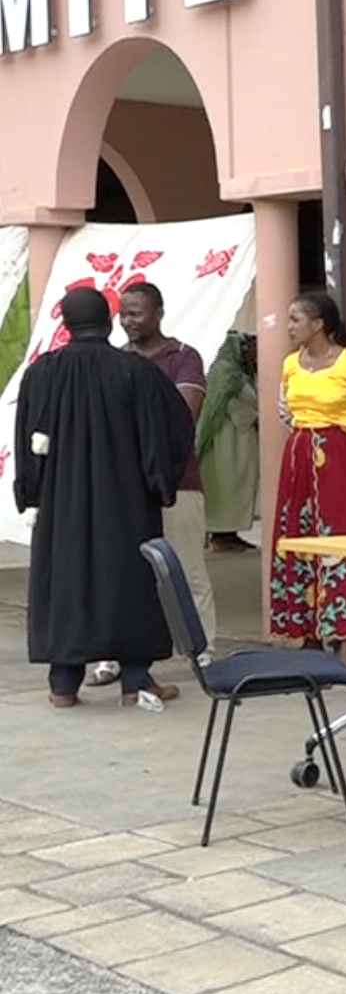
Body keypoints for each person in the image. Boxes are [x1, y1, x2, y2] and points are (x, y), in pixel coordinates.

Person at [12, 287, 193, 708]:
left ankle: (63, 685)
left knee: (66, 583)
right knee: (128, 581)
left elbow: (27, 441)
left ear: (66, 325)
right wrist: (158, 483)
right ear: (108, 322)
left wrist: (31, 492)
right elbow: (172, 427)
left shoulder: (42, 373)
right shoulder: (134, 372)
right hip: (125, 502)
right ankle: (135, 682)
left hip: (61, 506)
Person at [269, 291, 346, 676]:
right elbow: (285, 411)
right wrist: (309, 441)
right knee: (298, 534)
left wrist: (345, 442)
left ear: (318, 324)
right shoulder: (290, 364)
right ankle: (306, 634)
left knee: (344, 539)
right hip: (299, 456)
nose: (288, 327)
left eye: (295, 319)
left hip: (339, 459)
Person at [113, 283, 214, 662]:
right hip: (126, 485)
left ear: (159, 313)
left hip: (177, 481)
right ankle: (118, 653)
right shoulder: (116, 358)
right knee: (126, 572)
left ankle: (201, 647)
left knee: (187, 567)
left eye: (136, 312)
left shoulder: (184, 357)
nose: (128, 321)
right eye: (123, 313)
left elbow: (183, 416)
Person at [200, 331, 260, 552]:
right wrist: (253, 418)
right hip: (225, 442)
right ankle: (222, 534)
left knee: (239, 487)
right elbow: (221, 405)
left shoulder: (239, 372)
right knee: (226, 487)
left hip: (240, 441)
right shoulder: (223, 370)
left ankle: (230, 533)